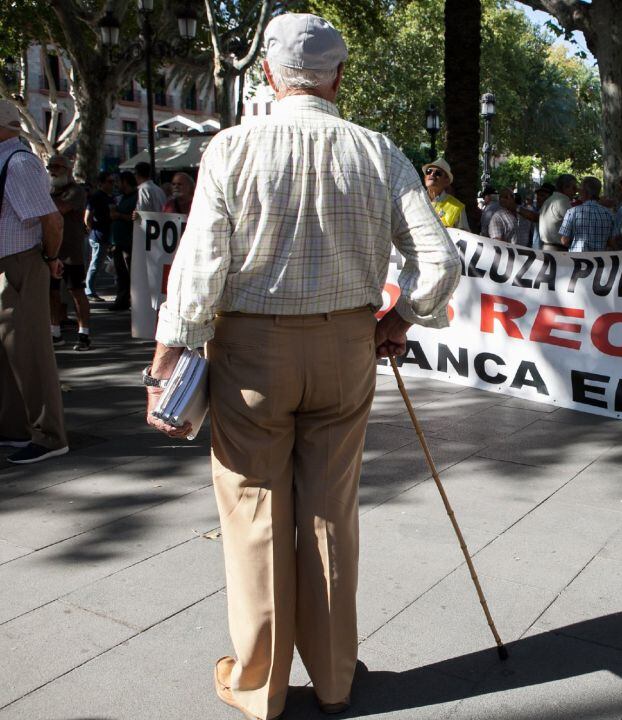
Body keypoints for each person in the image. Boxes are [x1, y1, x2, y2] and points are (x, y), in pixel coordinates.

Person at [145, 14, 458, 720]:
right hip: (348, 344)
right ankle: (335, 677)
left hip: (252, 350)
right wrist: (400, 319)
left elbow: (200, 268)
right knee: (330, 510)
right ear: (339, 76)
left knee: (254, 509)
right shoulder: (378, 152)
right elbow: (441, 261)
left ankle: (259, 685)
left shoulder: (232, 148)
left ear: (265, 74)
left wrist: (168, 358)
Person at [0, 98, 69, 464]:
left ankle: (48, 435)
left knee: (30, 351)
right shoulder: (12, 161)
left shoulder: (20, 162)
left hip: (21, 263)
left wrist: (50, 258)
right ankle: (15, 429)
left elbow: (52, 221)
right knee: (10, 350)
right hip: (12, 263)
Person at [45, 154, 92, 351]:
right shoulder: (49, 190)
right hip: (52, 251)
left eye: (57, 167)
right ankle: (55, 332)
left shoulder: (76, 191)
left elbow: (60, 209)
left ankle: (84, 335)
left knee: (76, 293)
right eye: (50, 167)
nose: (53, 170)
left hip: (72, 252)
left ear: (67, 170)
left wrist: (40, 197)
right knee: (53, 293)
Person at [558, 176, 614, 252]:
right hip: (599, 260)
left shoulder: (572, 212)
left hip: (578, 260)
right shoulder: (609, 214)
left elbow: (564, 241)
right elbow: (611, 242)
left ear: (585, 192)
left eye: (580, 189)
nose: (578, 191)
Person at [107, 171, 137, 311]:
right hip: (118, 242)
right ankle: (122, 299)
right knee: (121, 274)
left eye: (119, 182)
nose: (117, 185)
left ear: (125, 182)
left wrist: (118, 215)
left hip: (128, 242)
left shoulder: (135, 197)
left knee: (128, 273)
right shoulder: (121, 198)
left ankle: (129, 300)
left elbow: (134, 218)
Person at [83, 172, 114, 301]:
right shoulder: (97, 197)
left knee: (98, 264)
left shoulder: (109, 197)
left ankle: (90, 289)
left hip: (106, 235)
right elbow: (87, 217)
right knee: (95, 264)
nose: (112, 184)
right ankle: (89, 290)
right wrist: (93, 229)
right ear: (101, 183)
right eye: (109, 182)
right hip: (98, 236)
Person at [421, 157, 469, 231]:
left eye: (438, 173)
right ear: (425, 177)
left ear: (446, 181)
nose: (432, 174)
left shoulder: (457, 207)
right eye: (428, 171)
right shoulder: (415, 200)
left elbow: (464, 237)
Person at [538, 173, 576, 252]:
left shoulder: (551, 199)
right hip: (557, 250)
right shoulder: (562, 201)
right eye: (574, 188)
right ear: (565, 187)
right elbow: (576, 224)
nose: (575, 192)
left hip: (549, 248)